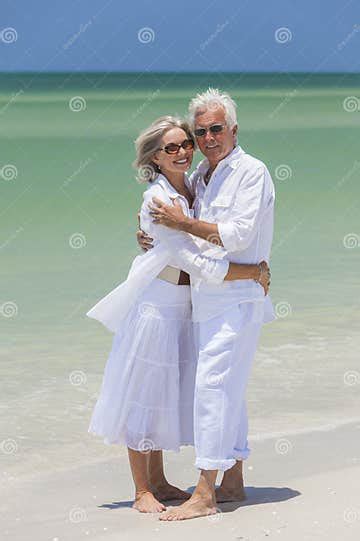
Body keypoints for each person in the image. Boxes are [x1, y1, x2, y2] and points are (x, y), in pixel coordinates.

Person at [86, 116, 270, 514]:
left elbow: (210, 235)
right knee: (143, 392)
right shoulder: (159, 197)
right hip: (156, 304)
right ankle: (141, 490)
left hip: (185, 306)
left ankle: (160, 480)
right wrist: (251, 272)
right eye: (172, 147)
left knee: (165, 392)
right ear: (155, 155)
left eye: (186, 142)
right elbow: (194, 258)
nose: (185, 150)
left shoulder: (195, 183)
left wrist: (152, 230)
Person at [137, 89, 276, 520]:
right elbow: (174, 231)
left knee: (212, 390)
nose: (209, 137)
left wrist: (181, 224)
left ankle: (205, 493)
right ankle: (233, 480)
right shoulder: (202, 173)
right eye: (201, 132)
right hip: (208, 300)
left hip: (234, 301)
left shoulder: (251, 172)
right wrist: (152, 237)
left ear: (234, 130)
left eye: (216, 129)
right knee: (227, 389)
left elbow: (235, 236)